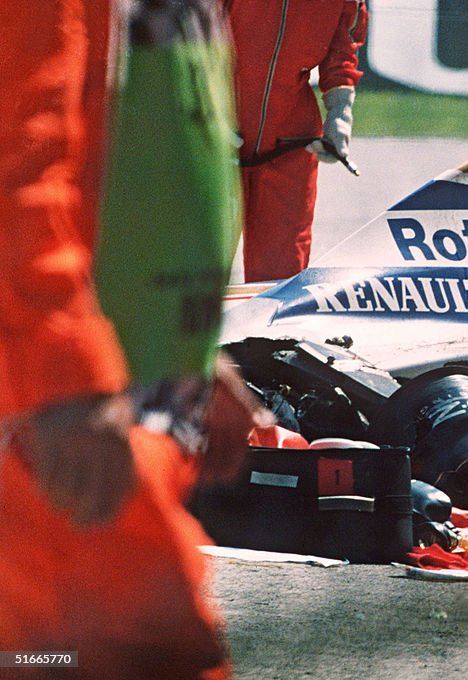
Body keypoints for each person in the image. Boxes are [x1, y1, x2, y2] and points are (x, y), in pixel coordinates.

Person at [0, 2, 269, 677]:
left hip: (117, 392)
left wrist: (198, 357)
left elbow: (148, 167)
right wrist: (66, 378)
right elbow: (17, 167)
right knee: (133, 654)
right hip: (54, 411)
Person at [225, 0, 369, 283]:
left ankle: (267, 330)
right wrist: (206, 113)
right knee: (196, 272)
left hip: (290, 137)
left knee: (281, 276)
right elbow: (191, 40)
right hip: (217, 129)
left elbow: (342, 47)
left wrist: (340, 113)